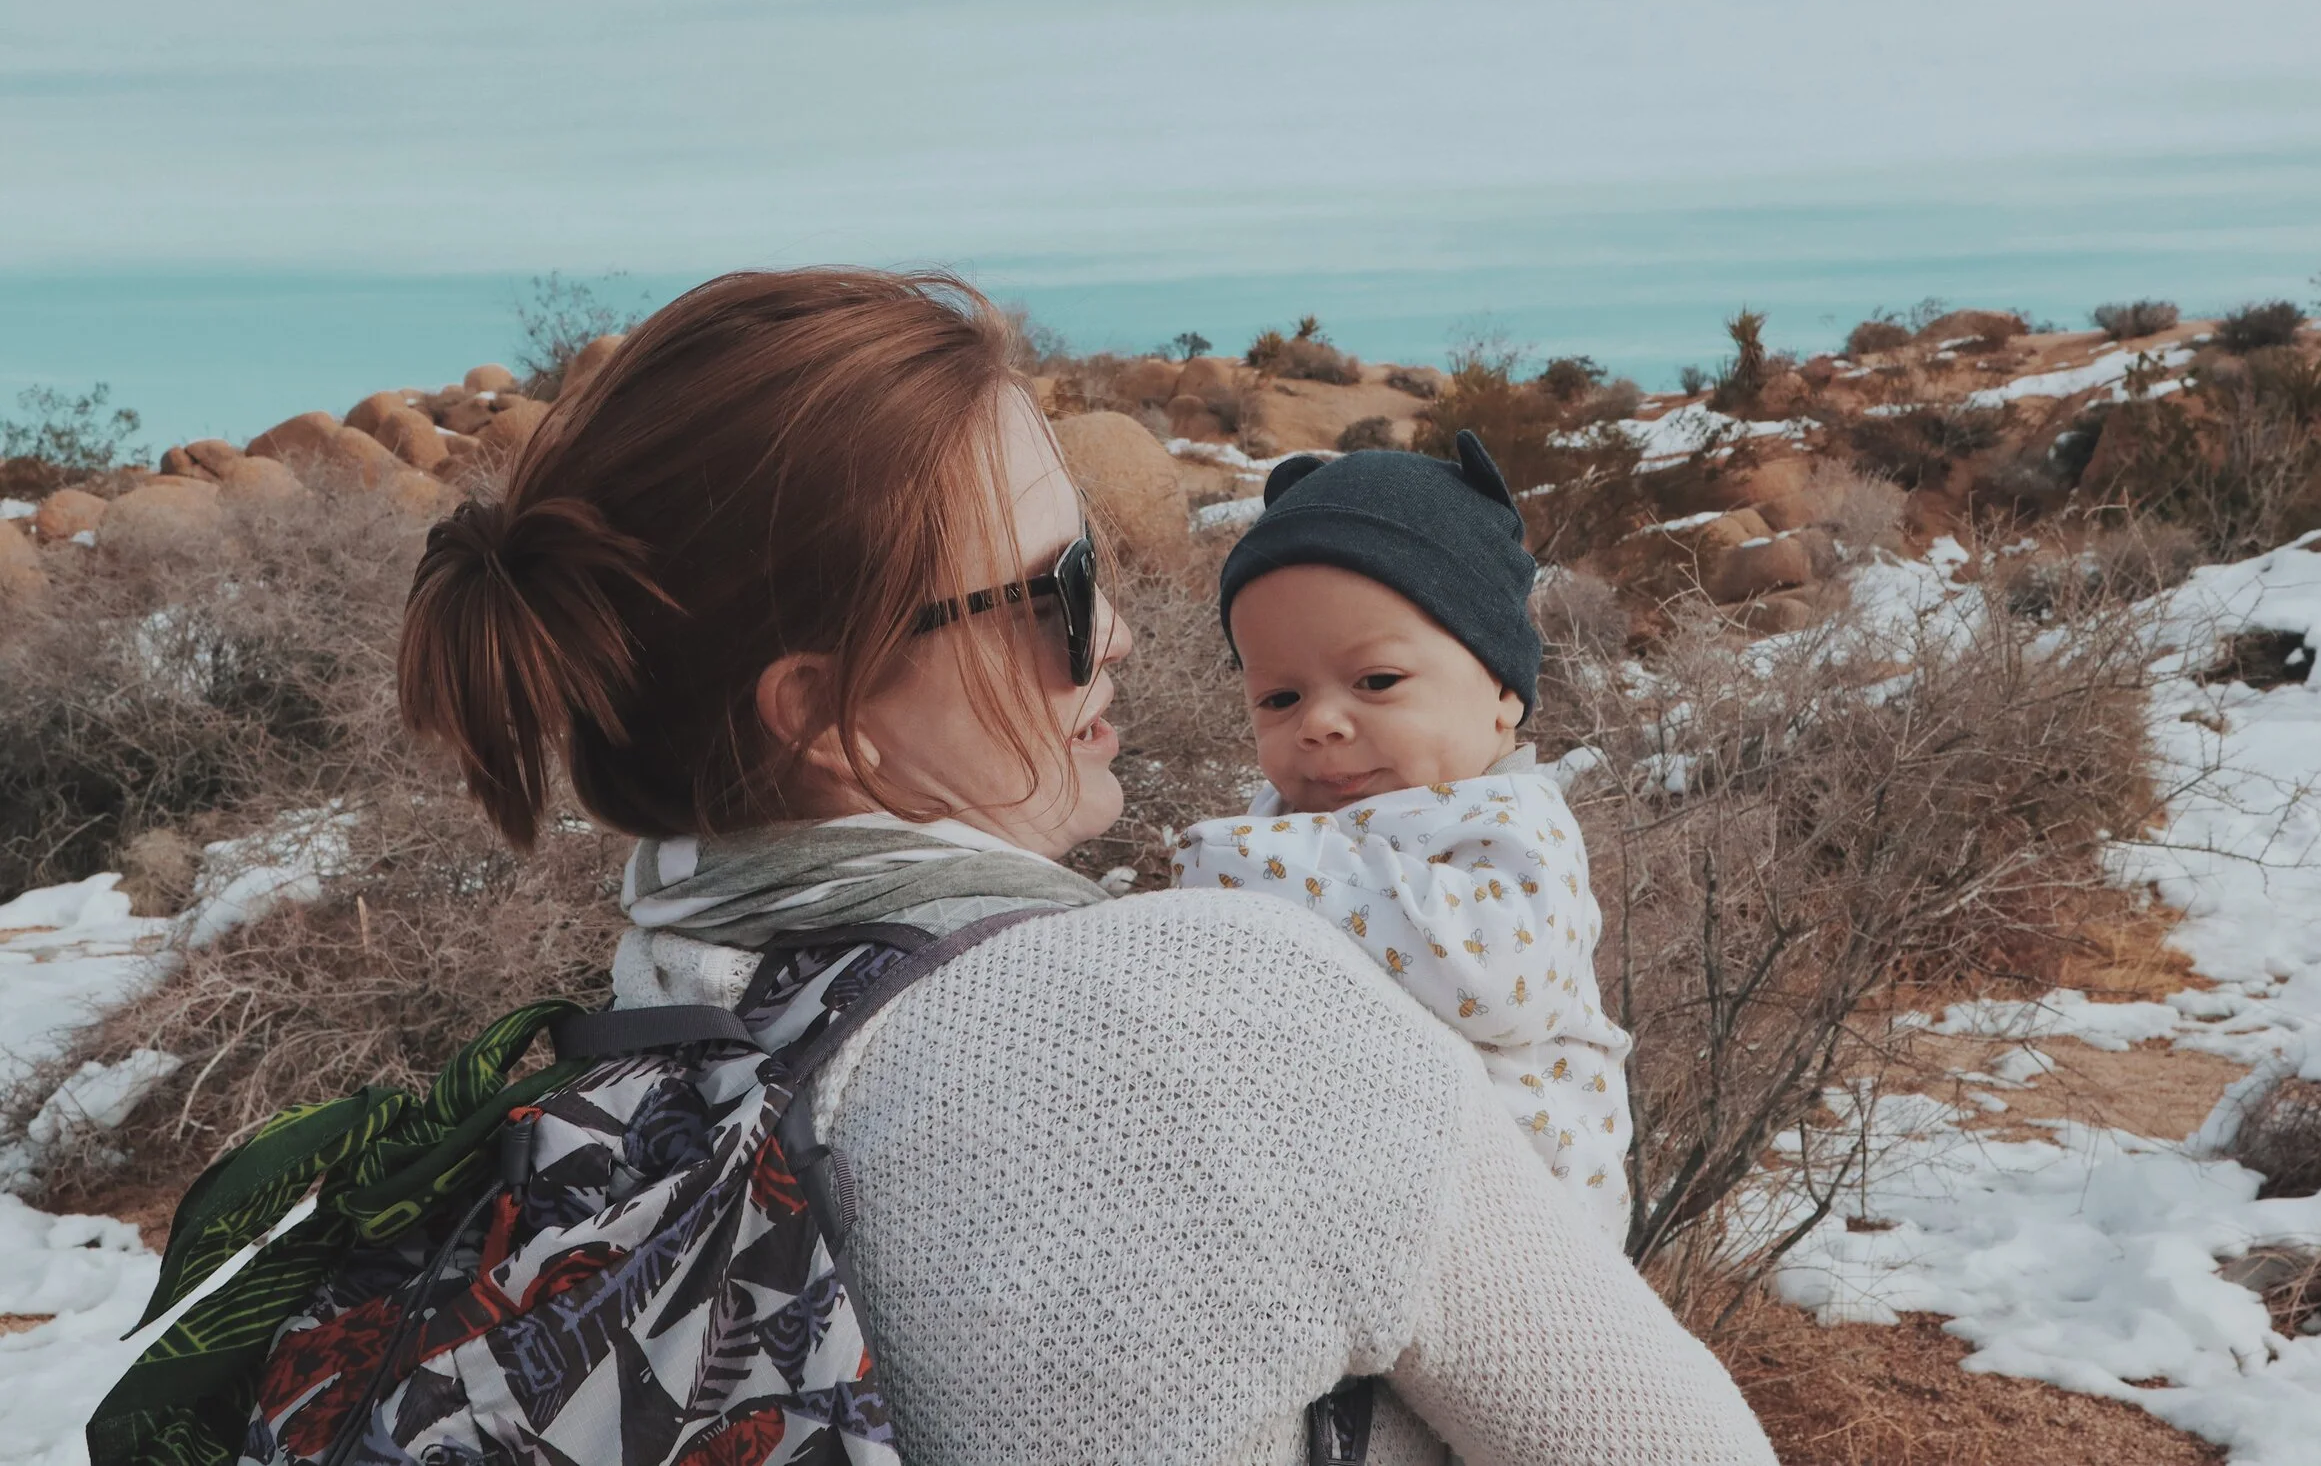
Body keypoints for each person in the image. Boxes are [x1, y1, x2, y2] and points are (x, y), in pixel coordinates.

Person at [398, 267, 1778, 1465]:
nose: (1114, 631)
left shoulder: (647, 1038)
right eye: (1059, 588)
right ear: (824, 709)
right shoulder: (1209, 1014)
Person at [1171, 435, 1635, 1244]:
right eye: (1279, 698)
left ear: (1502, 688)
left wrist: (1265, 867)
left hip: (1527, 1232)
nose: (1320, 722)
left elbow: (1501, 980)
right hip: (1363, 1205)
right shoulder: (1282, 829)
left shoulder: (1513, 818)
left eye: (1377, 681)